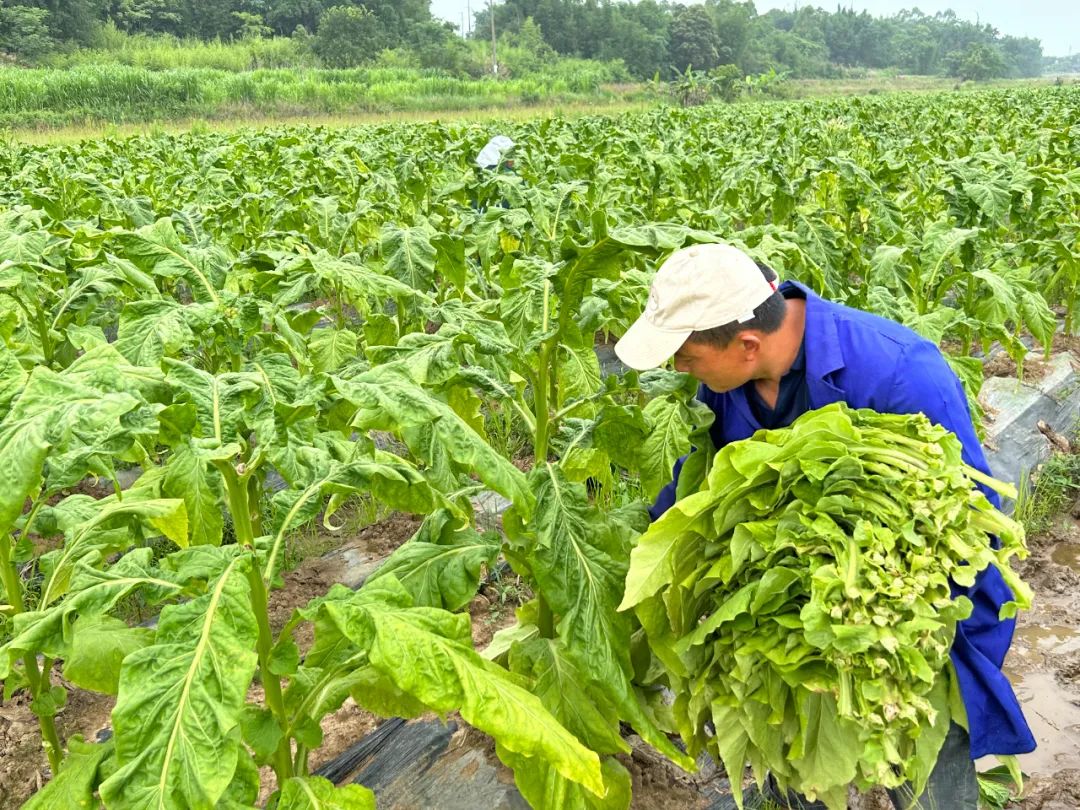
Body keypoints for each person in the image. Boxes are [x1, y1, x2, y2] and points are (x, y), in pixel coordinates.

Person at [613, 242, 1035, 809]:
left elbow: (972, 514)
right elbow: (692, 489)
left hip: (909, 623)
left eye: (685, 356)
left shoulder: (898, 371)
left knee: (928, 761)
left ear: (746, 344)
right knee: (798, 765)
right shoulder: (723, 389)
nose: (678, 368)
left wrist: (916, 634)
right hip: (791, 630)